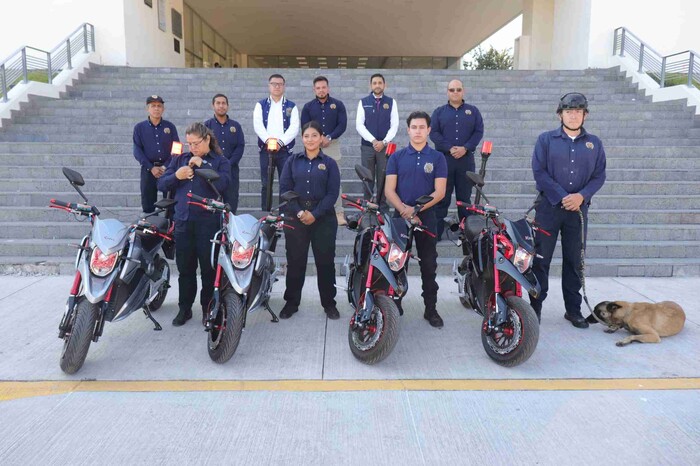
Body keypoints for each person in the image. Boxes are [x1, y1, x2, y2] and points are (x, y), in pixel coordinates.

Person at [530, 93, 606, 329]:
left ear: (585, 115)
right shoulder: (546, 140)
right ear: (560, 114)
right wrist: (563, 196)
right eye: (568, 111)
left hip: (578, 211)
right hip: (549, 209)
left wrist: (581, 196)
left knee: (574, 261)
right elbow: (539, 172)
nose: (573, 115)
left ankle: (573, 310)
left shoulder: (594, 144)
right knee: (541, 261)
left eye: (578, 111)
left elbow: (599, 175)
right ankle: (534, 309)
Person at [158, 123, 230, 326]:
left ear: (207, 139)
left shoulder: (219, 161)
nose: (192, 148)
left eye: (196, 143)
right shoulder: (180, 159)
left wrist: (203, 166)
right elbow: (162, 183)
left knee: (208, 269)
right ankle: (184, 308)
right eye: (189, 143)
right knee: (185, 269)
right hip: (183, 221)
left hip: (208, 223)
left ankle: (208, 308)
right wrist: (176, 176)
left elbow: (224, 184)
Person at [384, 111, 447, 328]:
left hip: (427, 218)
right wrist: (404, 209)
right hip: (400, 218)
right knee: (396, 264)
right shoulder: (397, 157)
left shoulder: (437, 158)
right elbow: (389, 190)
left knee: (428, 265)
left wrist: (417, 209)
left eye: (422, 127)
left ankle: (431, 309)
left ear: (429, 130)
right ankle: (395, 304)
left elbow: (439, 192)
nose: (418, 131)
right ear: (408, 130)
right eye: (414, 127)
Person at [278, 121, 341, 320]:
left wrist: (315, 213)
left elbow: (332, 194)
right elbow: (285, 191)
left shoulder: (330, 163)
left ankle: (329, 303)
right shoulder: (292, 161)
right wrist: (299, 212)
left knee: (325, 263)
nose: (310, 139)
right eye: (307, 136)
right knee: (295, 262)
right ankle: (291, 302)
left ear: (321, 138)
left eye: (315, 135)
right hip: (296, 217)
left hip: (323, 218)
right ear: (302, 138)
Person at [430, 79, 484, 240]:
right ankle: (436, 233)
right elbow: (434, 133)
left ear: (463, 91)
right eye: (452, 90)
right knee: (441, 197)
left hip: (465, 160)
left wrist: (465, 147)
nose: (455, 92)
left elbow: (478, 132)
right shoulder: (439, 112)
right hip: (444, 160)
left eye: (458, 89)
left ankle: (467, 234)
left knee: (464, 198)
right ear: (447, 92)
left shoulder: (473, 111)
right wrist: (450, 148)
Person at [301, 76, 348, 225]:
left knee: (335, 180)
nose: (321, 90)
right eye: (318, 88)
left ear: (328, 88)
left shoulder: (338, 105)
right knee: (311, 178)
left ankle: (339, 212)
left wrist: (329, 136)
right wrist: (317, 139)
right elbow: (304, 126)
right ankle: (313, 210)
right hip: (312, 146)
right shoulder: (308, 107)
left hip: (332, 145)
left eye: (323, 87)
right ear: (314, 89)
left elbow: (342, 124)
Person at [253, 74, 300, 210]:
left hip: (285, 151)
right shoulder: (260, 105)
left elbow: (294, 127)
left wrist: (281, 142)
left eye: (280, 84)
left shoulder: (292, 106)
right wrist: (269, 141)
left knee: (285, 183)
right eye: (274, 84)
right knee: (266, 184)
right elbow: (258, 125)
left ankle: (284, 214)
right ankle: (265, 213)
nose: (277, 86)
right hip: (265, 149)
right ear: (269, 86)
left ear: (284, 86)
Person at [355, 73, 399, 210]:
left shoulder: (391, 102)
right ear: (371, 85)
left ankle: (382, 206)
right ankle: (368, 206)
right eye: (374, 83)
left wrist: (384, 142)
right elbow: (359, 125)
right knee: (367, 177)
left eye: (380, 83)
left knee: (384, 178)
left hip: (385, 148)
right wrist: (374, 141)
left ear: (384, 85)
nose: (377, 85)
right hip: (368, 147)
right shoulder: (363, 102)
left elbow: (395, 125)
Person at [132, 95, 179, 214]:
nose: (156, 109)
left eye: (159, 106)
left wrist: (165, 167)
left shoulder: (170, 127)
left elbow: (177, 149)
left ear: (163, 109)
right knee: (148, 205)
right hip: (148, 170)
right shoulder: (139, 128)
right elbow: (137, 150)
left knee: (170, 204)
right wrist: (151, 167)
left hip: (168, 170)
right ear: (147, 108)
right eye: (153, 106)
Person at [204, 93, 245, 213]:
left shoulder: (235, 126)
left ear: (228, 106)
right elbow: (204, 147)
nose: (221, 106)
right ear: (213, 106)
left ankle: (229, 229)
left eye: (224, 103)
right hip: (212, 171)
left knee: (231, 203)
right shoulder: (207, 126)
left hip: (231, 170)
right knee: (212, 205)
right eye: (218, 103)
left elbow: (240, 146)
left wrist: (228, 163)